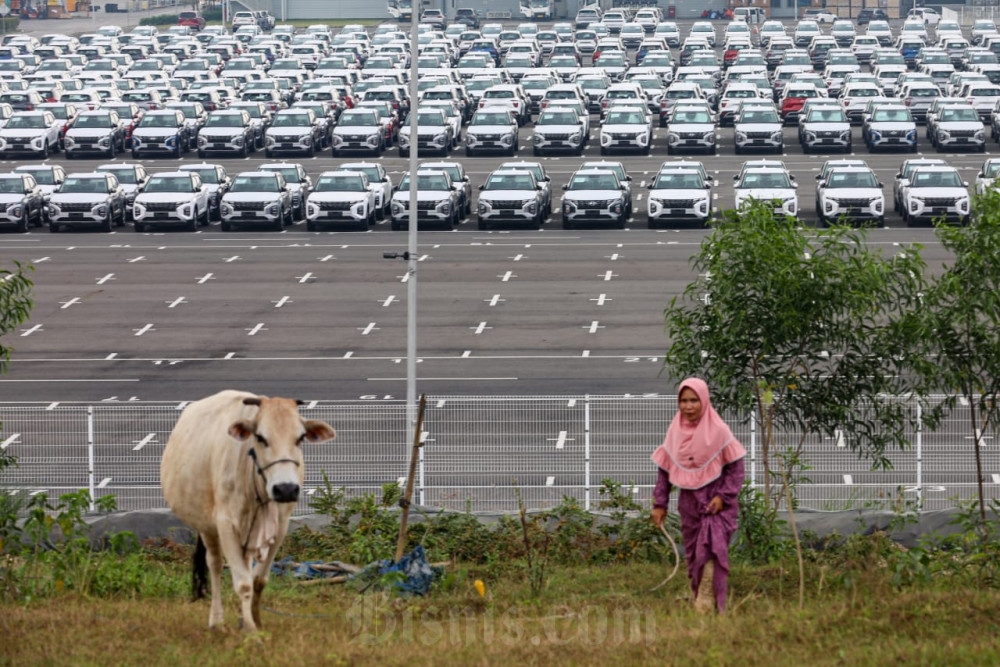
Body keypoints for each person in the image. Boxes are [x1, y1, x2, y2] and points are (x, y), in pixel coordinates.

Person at [650, 378, 746, 613]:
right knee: (693, 553)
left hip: (716, 503)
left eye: (694, 400)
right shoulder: (675, 431)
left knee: (712, 550)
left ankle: (708, 602)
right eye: (683, 401)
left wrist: (723, 497)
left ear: (704, 401)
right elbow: (665, 469)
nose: (688, 406)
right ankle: (700, 597)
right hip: (689, 503)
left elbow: (736, 469)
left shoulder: (719, 430)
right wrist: (660, 504)